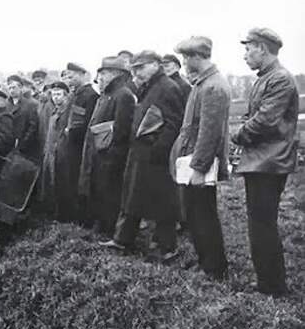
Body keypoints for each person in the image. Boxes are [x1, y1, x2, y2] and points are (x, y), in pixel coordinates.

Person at [231, 28, 299, 296]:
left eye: (248, 49)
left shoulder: (280, 79)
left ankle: (273, 286)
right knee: (259, 223)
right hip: (261, 161)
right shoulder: (266, 78)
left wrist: (237, 135)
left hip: (269, 163)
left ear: (262, 48)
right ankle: (268, 282)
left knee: (263, 224)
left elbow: (264, 121)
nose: (245, 55)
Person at [100, 51, 184, 261]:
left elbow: (173, 124)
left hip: (155, 156)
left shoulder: (168, 88)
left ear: (156, 64)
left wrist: (158, 151)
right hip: (139, 152)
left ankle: (166, 248)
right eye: (134, 69)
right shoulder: (150, 86)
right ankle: (122, 240)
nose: (136, 73)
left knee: (162, 202)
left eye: (141, 67)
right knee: (131, 197)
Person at [169, 36, 230, 280]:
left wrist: (198, 167)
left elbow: (209, 133)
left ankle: (214, 268)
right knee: (196, 214)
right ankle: (206, 261)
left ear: (197, 56)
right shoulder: (203, 84)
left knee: (203, 215)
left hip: (199, 161)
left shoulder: (213, 86)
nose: (184, 62)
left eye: (186, 57)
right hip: (193, 158)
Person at [79, 56, 135, 236]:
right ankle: (101, 228)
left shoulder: (123, 95)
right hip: (99, 155)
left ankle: (110, 232)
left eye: (105, 73)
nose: (101, 77)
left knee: (110, 196)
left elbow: (121, 130)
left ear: (117, 74)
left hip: (110, 157)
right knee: (99, 194)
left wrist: (111, 156)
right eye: (101, 73)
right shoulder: (106, 95)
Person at [60, 62, 99, 222]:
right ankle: (73, 217)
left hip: (80, 147)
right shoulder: (75, 95)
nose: (69, 80)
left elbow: (88, 124)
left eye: (72, 76)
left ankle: (83, 219)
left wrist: (71, 132)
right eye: (68, 77)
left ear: (83, 75)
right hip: (71, 146)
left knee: (80, 182)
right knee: (70, 180)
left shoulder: (90, 96)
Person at [38, 81, 72, 218]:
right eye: (53, 94)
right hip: (49, 151)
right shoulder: (53, 111)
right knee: (49, 182)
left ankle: (62, 215)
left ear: (65, 96)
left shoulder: (68, 112)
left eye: (59, 94)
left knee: (61, 183)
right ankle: (51, 212)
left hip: (61, 153)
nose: (56, 97)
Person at [7, 74, 39, 162]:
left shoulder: (30, 104)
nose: (11, 90)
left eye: (14, 87)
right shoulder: (6, 105)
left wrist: (22, 144)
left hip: (24, 148)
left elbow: (32, 127)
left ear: (21, 88)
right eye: (9, 88)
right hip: (8, 146)